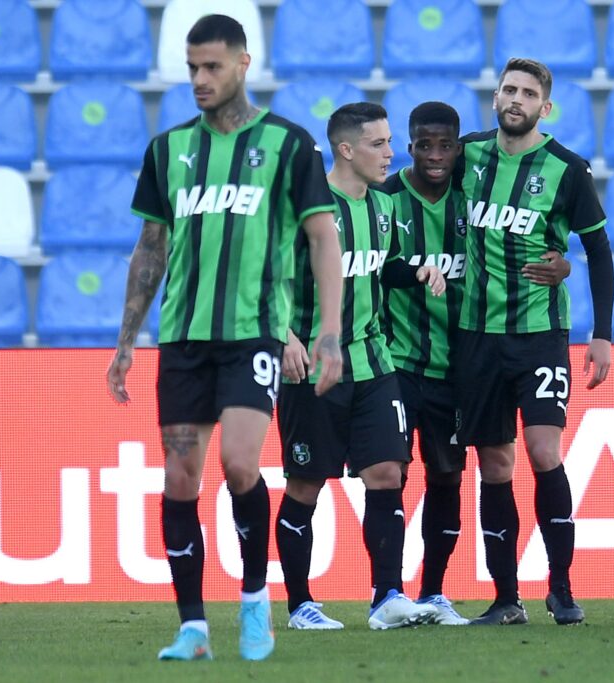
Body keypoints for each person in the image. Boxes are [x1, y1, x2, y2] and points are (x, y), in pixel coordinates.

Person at [106, 15, 344, 661]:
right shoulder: (168, 149)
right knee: (179, 476)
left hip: (252, 333)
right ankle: (193, 627)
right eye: (192, 68)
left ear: (243, 63)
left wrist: (328, 332)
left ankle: (254, 598)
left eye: (211, 66)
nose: (199, 79)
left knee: (240, 463)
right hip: (184, 338)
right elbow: (150, 246)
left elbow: (323, 238)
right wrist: (127, 339)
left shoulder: (289, 145)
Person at [378, 101, 572, 625]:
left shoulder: (476, 197)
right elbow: (370, 268)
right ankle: (386, 592)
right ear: (409, 147)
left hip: (460, 364)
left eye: (446, 146)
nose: (435, 156)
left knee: (446, 476)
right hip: (397, 362)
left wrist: (563, 263)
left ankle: (434, 592)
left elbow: (533, 239)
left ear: (459, 150)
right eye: (424, 145)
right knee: (390, 472)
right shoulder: (387, 199)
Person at [456, 57, 614, 626]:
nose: (516, 99)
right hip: (476, 335)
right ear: (496, 97)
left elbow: (598, 250)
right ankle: (506, 598)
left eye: (528, 93)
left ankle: (562, 588)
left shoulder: (567, 169)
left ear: (544, 107)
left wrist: (602, 334)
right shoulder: (467, 155)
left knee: (544, 451)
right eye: (509, 90)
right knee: (494, 463)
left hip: (541, 334)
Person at [274, 102, 445, 631]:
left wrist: (417, 269)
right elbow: (263, 279)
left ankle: (387, 596)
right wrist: (285, 338)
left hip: (374, 362)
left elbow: (380, 267)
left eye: (390, 141)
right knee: (305, 484)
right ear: (346, 150)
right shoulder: (305, 208)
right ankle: (300, 604)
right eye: (379, 143)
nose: (391, 153)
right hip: (312, 368)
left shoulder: (383, 206)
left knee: (387, 473)